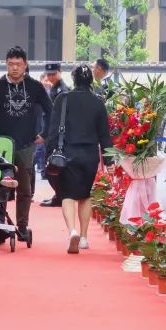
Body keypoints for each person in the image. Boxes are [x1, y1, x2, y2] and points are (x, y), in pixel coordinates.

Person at [0, 46, 52, 243]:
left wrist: (45, 134)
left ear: (25, 65)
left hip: (26, 144)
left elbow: (51, 110)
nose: (14, 68)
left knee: (24, 188)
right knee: (1, 185)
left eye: (18, 64)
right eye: (10, 64)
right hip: (1, 144)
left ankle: (22, 226)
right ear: (6, 64)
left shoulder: (35, 87)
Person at [45, 65, 113, 253]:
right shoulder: (98, 102)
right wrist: (109, 161)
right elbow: (104, 135)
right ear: (91, 80)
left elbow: (53, 130)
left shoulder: (63, 99)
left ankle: (72, 231)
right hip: (90, 155)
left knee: (67, 194)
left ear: (74, 80)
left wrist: (49, 153)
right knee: (84, 195)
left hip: (67, 154)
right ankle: (83, 237)